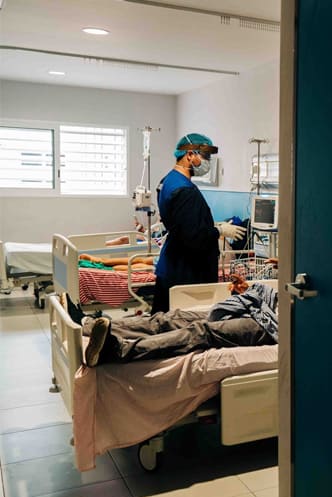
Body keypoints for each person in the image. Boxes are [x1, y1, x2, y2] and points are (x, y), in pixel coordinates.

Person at [77, 280, 278, 367]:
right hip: (264, 306)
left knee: (200, 332)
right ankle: (88, 326)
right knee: (171, 318)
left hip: (274, 325)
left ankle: (117, 351)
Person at [152, 133, 246, 314]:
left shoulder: (168, 181)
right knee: (183, 323)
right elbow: (193, 236)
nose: (208, 162)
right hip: (186, 270)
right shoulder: (185, 190)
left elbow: (182, 222)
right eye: (206, 156)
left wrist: (210, 224)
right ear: (189, 155)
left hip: (173, 263)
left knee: (161, 320)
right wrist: (219, 231)